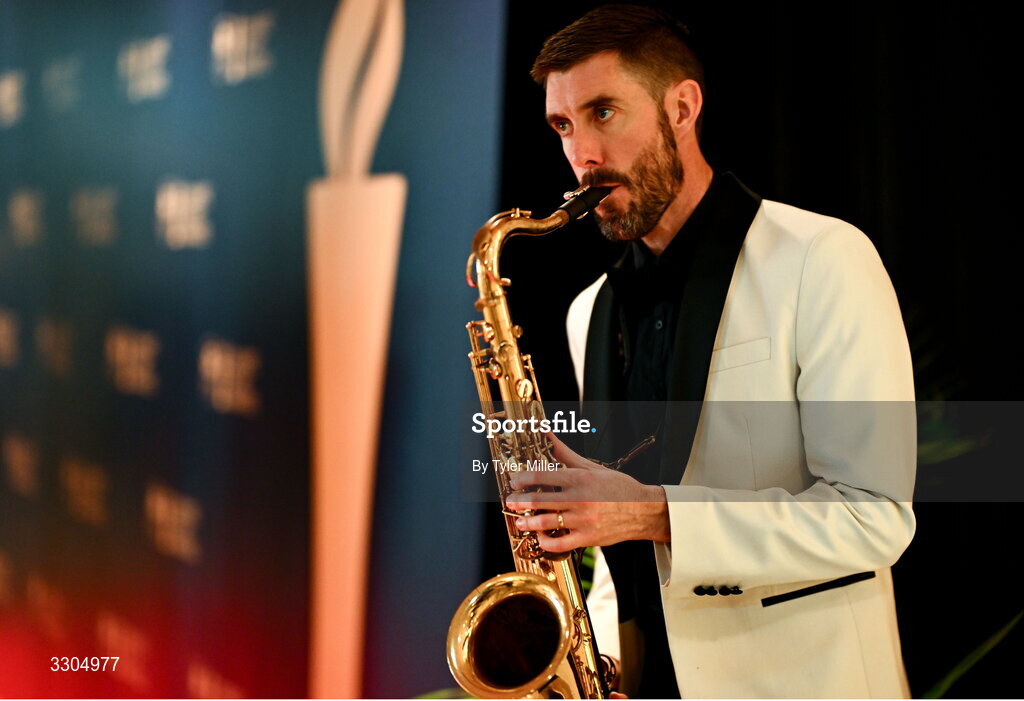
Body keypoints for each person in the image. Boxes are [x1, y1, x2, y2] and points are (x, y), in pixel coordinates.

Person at [505, 5, 917, 698]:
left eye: (603, 112)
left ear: (682, 107)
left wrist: (653, 512)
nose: (582, 155)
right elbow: (621, 570)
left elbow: (874, 516)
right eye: (563, 125)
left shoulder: (823, 257)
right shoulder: (587, 313)